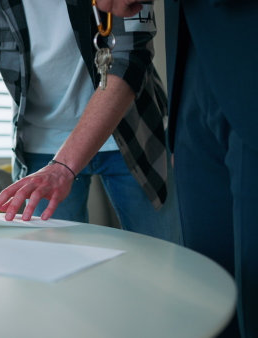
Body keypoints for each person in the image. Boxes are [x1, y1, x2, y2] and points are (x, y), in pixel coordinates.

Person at [0, 0, 181, 244]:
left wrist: (64, 167)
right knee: (53, 280)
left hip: (133, 134)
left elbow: (130, 58)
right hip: (41, 149)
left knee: (166, 261)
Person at [96, 1, 257, 337]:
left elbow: (132, 44)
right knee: (210, 297)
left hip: (249, 57)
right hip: (193, 79)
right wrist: (181, 132)